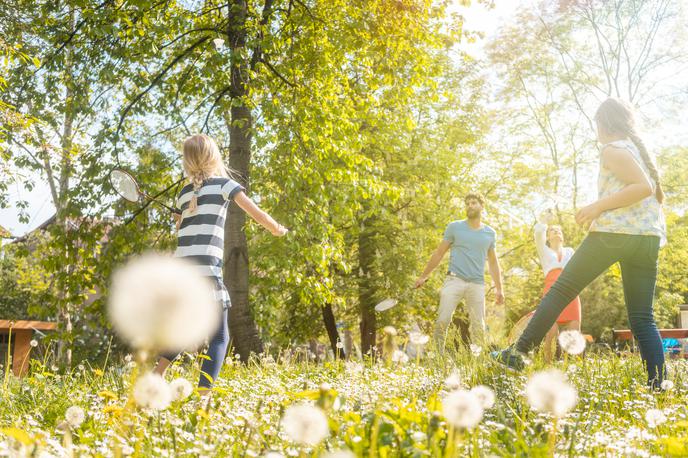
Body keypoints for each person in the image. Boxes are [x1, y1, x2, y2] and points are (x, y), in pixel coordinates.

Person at [493, 98, 666, 389]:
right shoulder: (636, 149)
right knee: (642, 318)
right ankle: (658, 385)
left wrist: (598, 206)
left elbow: (643, 187)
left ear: (604, 123)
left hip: (614, 235)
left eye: (596, 124)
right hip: (647, 239)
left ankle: (518, 353)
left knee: (561, 290)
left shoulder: (613, 149)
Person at [154, 134, 288, 395]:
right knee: (219, 337)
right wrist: (276, 228)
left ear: (187, 161)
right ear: (214, 156)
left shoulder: (182, 194)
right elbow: (255, 212)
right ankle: (204, 397)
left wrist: (181, 217)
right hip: (206, 271)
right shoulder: (225, 185)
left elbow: (181, 228)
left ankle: (156, 375)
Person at [415, 193, 505, 350]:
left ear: (482, 206)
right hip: (454, 280)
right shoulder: (454, 227)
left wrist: (499, 289)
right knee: (443, 320)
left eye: (474, 203)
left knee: (478, 326)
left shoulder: (490, 233)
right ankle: (437, 357)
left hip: (477, 284)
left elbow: (493, 262)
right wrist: (423, 276)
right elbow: (439, 253)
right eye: (468, 203)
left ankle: (478, 363)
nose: (470, 205)